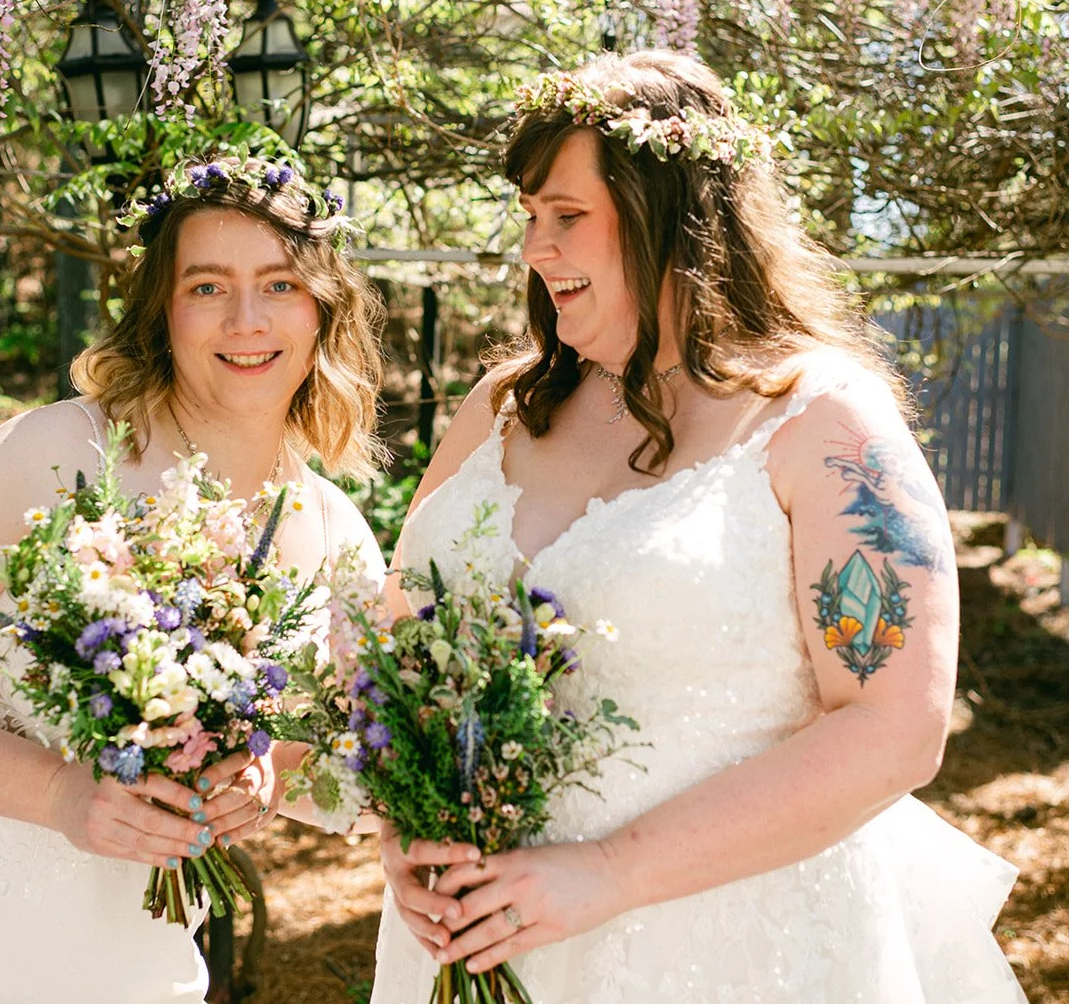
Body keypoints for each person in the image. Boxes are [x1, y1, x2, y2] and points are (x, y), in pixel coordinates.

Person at [370, 52, 1027, 1001]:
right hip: (475, 943)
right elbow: (404, 657)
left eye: (566, 217)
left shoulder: (822, 423)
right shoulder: (500, 407)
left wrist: (609, 871)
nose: (532, 250)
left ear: (664, 213)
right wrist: (409, 831)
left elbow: (895, 727)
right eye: (529, 217)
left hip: (720, 951)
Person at [0, 153, 388, 1003]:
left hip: (135, 949)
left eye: (280, 283)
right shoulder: (56, 456)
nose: (247, 318)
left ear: (324, 307)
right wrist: (62, 792)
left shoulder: (332, 528)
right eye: (208, 287)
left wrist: (266, 774)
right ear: (161, 312)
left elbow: (355, 759)